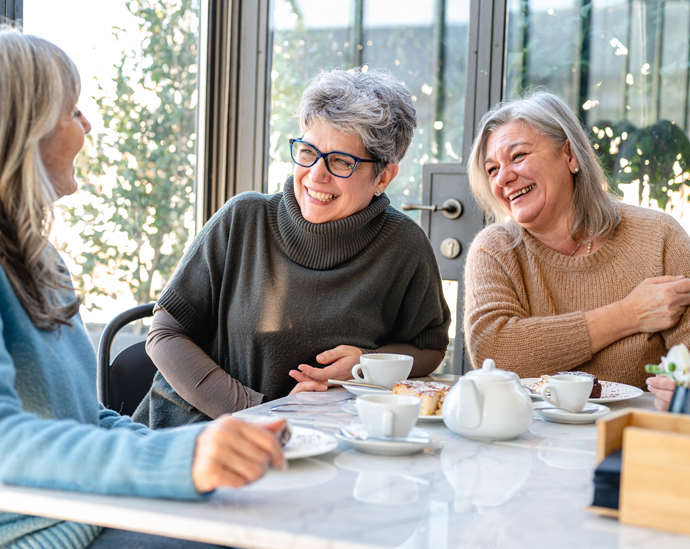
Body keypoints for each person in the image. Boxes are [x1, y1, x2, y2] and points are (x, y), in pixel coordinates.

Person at [0, 31, 286, 549]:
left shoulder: (33, 255)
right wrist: (179, 460)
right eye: (72, 111)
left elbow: (85, 417)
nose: (87, 126)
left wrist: (198, 447)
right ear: (18, 128)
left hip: (68, 516)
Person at [134, 68, 452, 429]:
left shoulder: (403, 245)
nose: (316, 175)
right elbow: (164, 333)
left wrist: (368, 363)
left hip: (326, 443)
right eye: (307, 151)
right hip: (198, 435)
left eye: (341, 161)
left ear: (383, 177)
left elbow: (428, 347)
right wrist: (263, 411)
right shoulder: (244, 219)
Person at [462, 90, 690, 411]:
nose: (504, 178)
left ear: (570, 155)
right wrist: (630, 314)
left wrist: (689, 380)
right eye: (491, 169)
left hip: (632, 434)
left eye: (517, 156)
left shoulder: (659, 235)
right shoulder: (494, 249)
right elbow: (495, 352)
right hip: (527, 436)